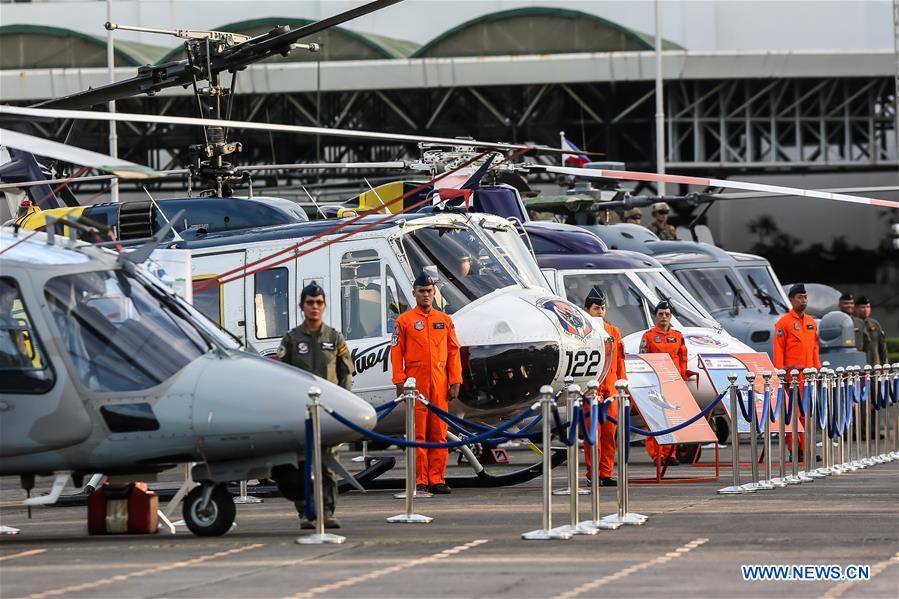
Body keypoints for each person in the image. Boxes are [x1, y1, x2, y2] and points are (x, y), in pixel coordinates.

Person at [275, 282, 353, 530]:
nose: (315, 307)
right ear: (302, 306)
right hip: (301, 414)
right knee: (301, 464)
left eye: (319, 303)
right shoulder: (291, 339)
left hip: (329, 413)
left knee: (328, 464)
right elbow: (282, 377)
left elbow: (345, 374)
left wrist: (345, 406)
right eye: (310, 303)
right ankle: (305, 512)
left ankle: (327, 512)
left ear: (325, 306)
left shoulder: (335, 338)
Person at [391, 272, 463, 494]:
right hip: (415, 383)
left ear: (434, 293)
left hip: (440, 383)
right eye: (422, 291)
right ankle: (420, 479)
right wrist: (399, 380)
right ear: (414, 293)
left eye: (429, 291)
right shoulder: (403, 321)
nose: (426, 295)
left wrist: (455, 380)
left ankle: (437, 479)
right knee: (418, 433)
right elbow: (396, 352)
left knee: (439, 432)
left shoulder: (445, 320)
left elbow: (454, 351)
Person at [639, 300, 688, 466]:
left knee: (672, 419)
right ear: (656, 316)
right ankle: (657, 455)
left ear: (671, 316)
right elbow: (642, 358)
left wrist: (682, 377)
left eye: (667, 314)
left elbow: (683, 358)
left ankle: (670, 454)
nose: (664, 317)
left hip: (673, 383)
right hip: (655, 383)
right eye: (661, 314)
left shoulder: (678, 336)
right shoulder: (648, 336)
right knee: (655, 420)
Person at [772, 283, 821, 452]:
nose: (804, 300)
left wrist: (817, 368)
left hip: (808, 375)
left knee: (807, 413)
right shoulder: (783, 323)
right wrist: (781, 373)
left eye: (805, 297)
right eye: (800, 297)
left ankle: (805, 448)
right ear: (792, 300)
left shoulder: (811, 322)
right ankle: (796, 449)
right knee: (793, 413)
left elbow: (815, 347)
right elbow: (778, 349)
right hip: (792, 376)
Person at [582, 286, 623, 486]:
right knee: (593, 434)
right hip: (592, 388)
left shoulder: (614, 331)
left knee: (609, 433)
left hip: (611, 388)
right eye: (596, 308)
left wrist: (623, 385)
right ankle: (593, 473)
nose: (600, 312)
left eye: (603, 308)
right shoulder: (582, 332)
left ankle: (606, 473)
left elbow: (620, 360)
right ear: (587, 309)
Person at [854, 296, 888, 366]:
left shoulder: (875, 324)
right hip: (859, 366)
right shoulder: (852, 324)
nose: (866, 310)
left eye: (868, 307)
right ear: (855, 308)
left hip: (875, 365)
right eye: (863, 307)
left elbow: (882, 347)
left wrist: (885, 365)